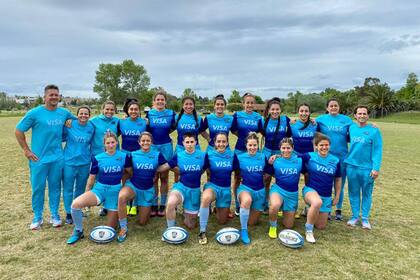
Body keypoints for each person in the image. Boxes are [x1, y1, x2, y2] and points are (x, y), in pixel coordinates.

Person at [15, 84, 73, 229]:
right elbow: (18, 130)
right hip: (38, 159)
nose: (54, 97)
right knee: (38, 188)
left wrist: (71, 122)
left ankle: (54, 215)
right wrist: (26, 150)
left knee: (55, 187)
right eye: (51, 95)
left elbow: (80, 119)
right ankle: (38, 217)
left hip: (57, 158)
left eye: (56, 95)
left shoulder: (64, 113)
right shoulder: (35, 113)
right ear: (44, 96)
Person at [66, 132, 131, 244]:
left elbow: (129, 173)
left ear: (116, 143)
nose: (110, 145)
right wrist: (87, 193)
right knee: (75, 205)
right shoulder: (97, 158)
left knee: (110, 229)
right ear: (104, 145)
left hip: (115, 191)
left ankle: (118, 224)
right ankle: (78, 230)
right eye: (108, 143)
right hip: (99, 190)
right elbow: (91, 179)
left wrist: (125, 188)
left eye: (113, 142)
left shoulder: (124, 156)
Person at [116, 132, 168, 242]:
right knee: (122, 197)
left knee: (143, 222)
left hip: (148, 189)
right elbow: (129, 170)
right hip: (133, 186)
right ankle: (123, 227)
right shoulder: (133, 154)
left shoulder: (157, 154)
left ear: (151, 142)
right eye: (143, 141)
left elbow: (165, 166)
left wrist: (155, 170)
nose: (145, 142)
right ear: (139, 142)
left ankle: (139, 205)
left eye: (148, 140)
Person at [344, 106, 382, 229]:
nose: (362, 116)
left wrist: (375, 168)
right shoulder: (351, 127)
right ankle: (355, 216)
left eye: (364, 113)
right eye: (359, 113)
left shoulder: (374, 130)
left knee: (366, 193)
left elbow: (377, 150)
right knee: (353, 192)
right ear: (355, 115)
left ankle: (365, 218)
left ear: (368, 115)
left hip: (367, 168)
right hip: (351, 166)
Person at [198, 133, 239, 244]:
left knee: (222, 221)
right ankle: (202, 231)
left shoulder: (232, 155)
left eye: (223, 141)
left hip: (225, 190)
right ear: (215, 143)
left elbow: (238, 172)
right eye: (218, 141)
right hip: (213, 187)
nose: (221, 144)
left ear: (227, 143)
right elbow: (201, 170)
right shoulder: (209, 154)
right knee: (206, 198)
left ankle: (217, 208)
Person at [301, 133, 342, 243]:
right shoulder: (309, 156)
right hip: (310, 190)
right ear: (316, 146)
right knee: (317, 202)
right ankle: (308, 231)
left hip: (326, 195)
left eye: (326, 145)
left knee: (321, 226)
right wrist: (276, 157)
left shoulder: (335, 160)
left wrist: (337, 196)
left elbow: (338, 179)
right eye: (321, 145)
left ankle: (308, 210)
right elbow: (291, 158)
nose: (324, 147)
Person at [316, 98, 352, 220]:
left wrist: (371, 125)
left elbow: (354, 132)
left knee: (339, 183)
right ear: (327, 108)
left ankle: (338, 209)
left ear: (339, 107)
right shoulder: (321, 119)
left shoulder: (347, 120)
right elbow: (310, 127)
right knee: (326, 183)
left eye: (335, 106)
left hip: (342, 156)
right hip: (326, 157)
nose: (333, 108)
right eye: (331, 106)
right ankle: (327, 209)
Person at [163, 133, 208, 230]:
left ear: (196, 142)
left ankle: (186, 210)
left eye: (192, 142)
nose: (190, 144)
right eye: (187, 142)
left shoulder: (203, 155)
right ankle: (170, 229)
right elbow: (166, 166)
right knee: (171, 203)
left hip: (194, 190)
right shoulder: (179, 155)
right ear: (183, 143)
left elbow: (205, 169)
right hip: (181, 187)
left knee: (191, 225)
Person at [231, 93, 263, 215]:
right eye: (247, 102)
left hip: (254, 150)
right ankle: (238, 204)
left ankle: (255, 202)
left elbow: (262, 130)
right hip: (240, 149)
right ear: (243, 104)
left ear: (254, 104)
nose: (249, 105)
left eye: (251, 102)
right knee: (237, 177)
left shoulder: (258, 117)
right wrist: (243, 138)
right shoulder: (237, 115)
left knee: (254, 175)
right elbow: (233, 130)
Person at [265, 138, 304, 238]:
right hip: (278, 190)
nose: (286, 150)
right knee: (274, 205)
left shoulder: (299, 159)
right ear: (280, 148)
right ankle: (273, 227)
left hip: (292, 194)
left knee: (289, 226)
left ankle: (284, 208)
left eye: (288, 148)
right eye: (283, 148)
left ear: (293, 148)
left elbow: (308, 170)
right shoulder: (275, 160)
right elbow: (267, 174)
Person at [146, 90, 176, 217]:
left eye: (162, 100)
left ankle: (163, 204)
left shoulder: (171, 113)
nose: (160, 102)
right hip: (152, 147)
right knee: (153, 178)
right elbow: (146, 129)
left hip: (166, 146)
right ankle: (153, 204)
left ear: (165, 102)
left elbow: (173, 127)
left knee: (164, 177)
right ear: (154, 102)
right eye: (157, 100)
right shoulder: (149, 114)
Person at [62, 106, 94, 224]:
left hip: (84, 162)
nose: (83, 116)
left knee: (80, 188)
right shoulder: (70, 124)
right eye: (81, 113)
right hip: (69, 162)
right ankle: (69, 213)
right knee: (68, 188)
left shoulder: (91, 127)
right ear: (77, 115)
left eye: (86, 114)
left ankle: (77, 209)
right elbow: (60, 136)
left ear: (89, 116)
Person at [89, 100, 120, 217]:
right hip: (98, 156)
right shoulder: (93, 121)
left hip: (114, 155)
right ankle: (103, 205)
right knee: (100, 181)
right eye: (107, 109)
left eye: (112, 109)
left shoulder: (117, 121)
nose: (109, 111)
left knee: (113, 180)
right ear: (102, 109)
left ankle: (113, 204)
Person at [261, 98, 291, 212]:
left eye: (277, 109)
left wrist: (311, 121)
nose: (275, 111)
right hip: (267, 153)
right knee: (266, 179)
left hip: (281, 154)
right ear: (268, 110)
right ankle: (264, 204)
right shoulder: (263, 121)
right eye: (272, 109)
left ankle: (281, 205)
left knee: (281, 179)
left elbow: (290, 133)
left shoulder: (285, 119)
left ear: (281, 110)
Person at [236, 132, 267, 245]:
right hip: (245, 189)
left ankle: (247, 211)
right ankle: (243, 230)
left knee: (252, 222)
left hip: (260, 191)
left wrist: (277, 157)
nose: (252, 148)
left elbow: (269, 170)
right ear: (246, 145)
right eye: (250, 145)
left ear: (258, 145)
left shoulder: (263, 156)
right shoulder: (239, 158)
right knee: (247, 200)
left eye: (255, 145)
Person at [118, 98, 147, 216]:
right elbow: (115, 135)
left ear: (139, 111)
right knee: (125, 177)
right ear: (127, 111)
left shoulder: (145, 122)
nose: (133, 111)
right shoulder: (121, 122)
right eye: (131, 109)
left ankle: (135, 203)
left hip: (138, 155)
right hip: (125, 154)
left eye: (136, 109)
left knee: (136, 178)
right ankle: (125, 202)